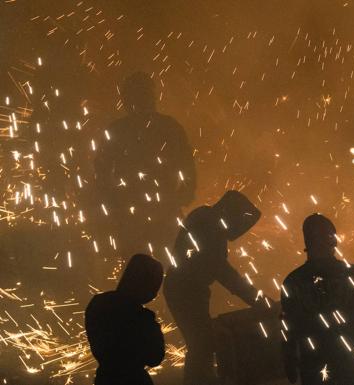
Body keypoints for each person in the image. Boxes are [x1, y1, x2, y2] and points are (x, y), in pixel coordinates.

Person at [163, 190, 264, 385]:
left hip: (185, 288)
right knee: (202, 343)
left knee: (202, 343)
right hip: (184, 290)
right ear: (230, 213)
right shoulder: (209, 225)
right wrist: (257, 299)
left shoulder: (206, 218)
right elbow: (222, 271)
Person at [94, 71, 196, 258]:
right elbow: (188, 166)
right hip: (152, 211)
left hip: (138, 213)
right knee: (170, 264)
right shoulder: (169, 126)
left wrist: (111, 203)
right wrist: (184, 194)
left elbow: (101, 173)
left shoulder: (118, 130)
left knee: (137, 272)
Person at [280, 214, 354, 385]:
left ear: (307, 243)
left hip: (314, 371)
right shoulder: (353, 274)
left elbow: (288, 331)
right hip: (351, 368)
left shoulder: (293, 281)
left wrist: (290, 366)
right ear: (333, 240)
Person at [85, 254, 165, 385]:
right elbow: (155, 357)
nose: (155, 294)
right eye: (154, 286)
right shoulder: (141, 318)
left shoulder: (98, 304)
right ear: (143, 283)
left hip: (104, 378)